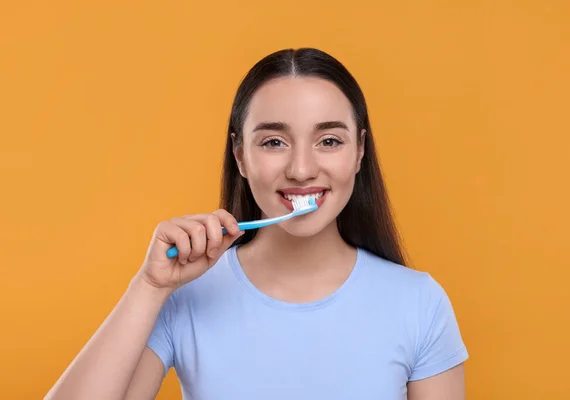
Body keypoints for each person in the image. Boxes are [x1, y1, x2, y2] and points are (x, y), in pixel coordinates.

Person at [45, 47, 468, 400]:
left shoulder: (419, 305)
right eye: (273, 142)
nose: (302, 169)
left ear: (359, 151)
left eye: (329, 141)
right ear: (240, 155)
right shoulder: (184, 298)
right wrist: (149, 287)